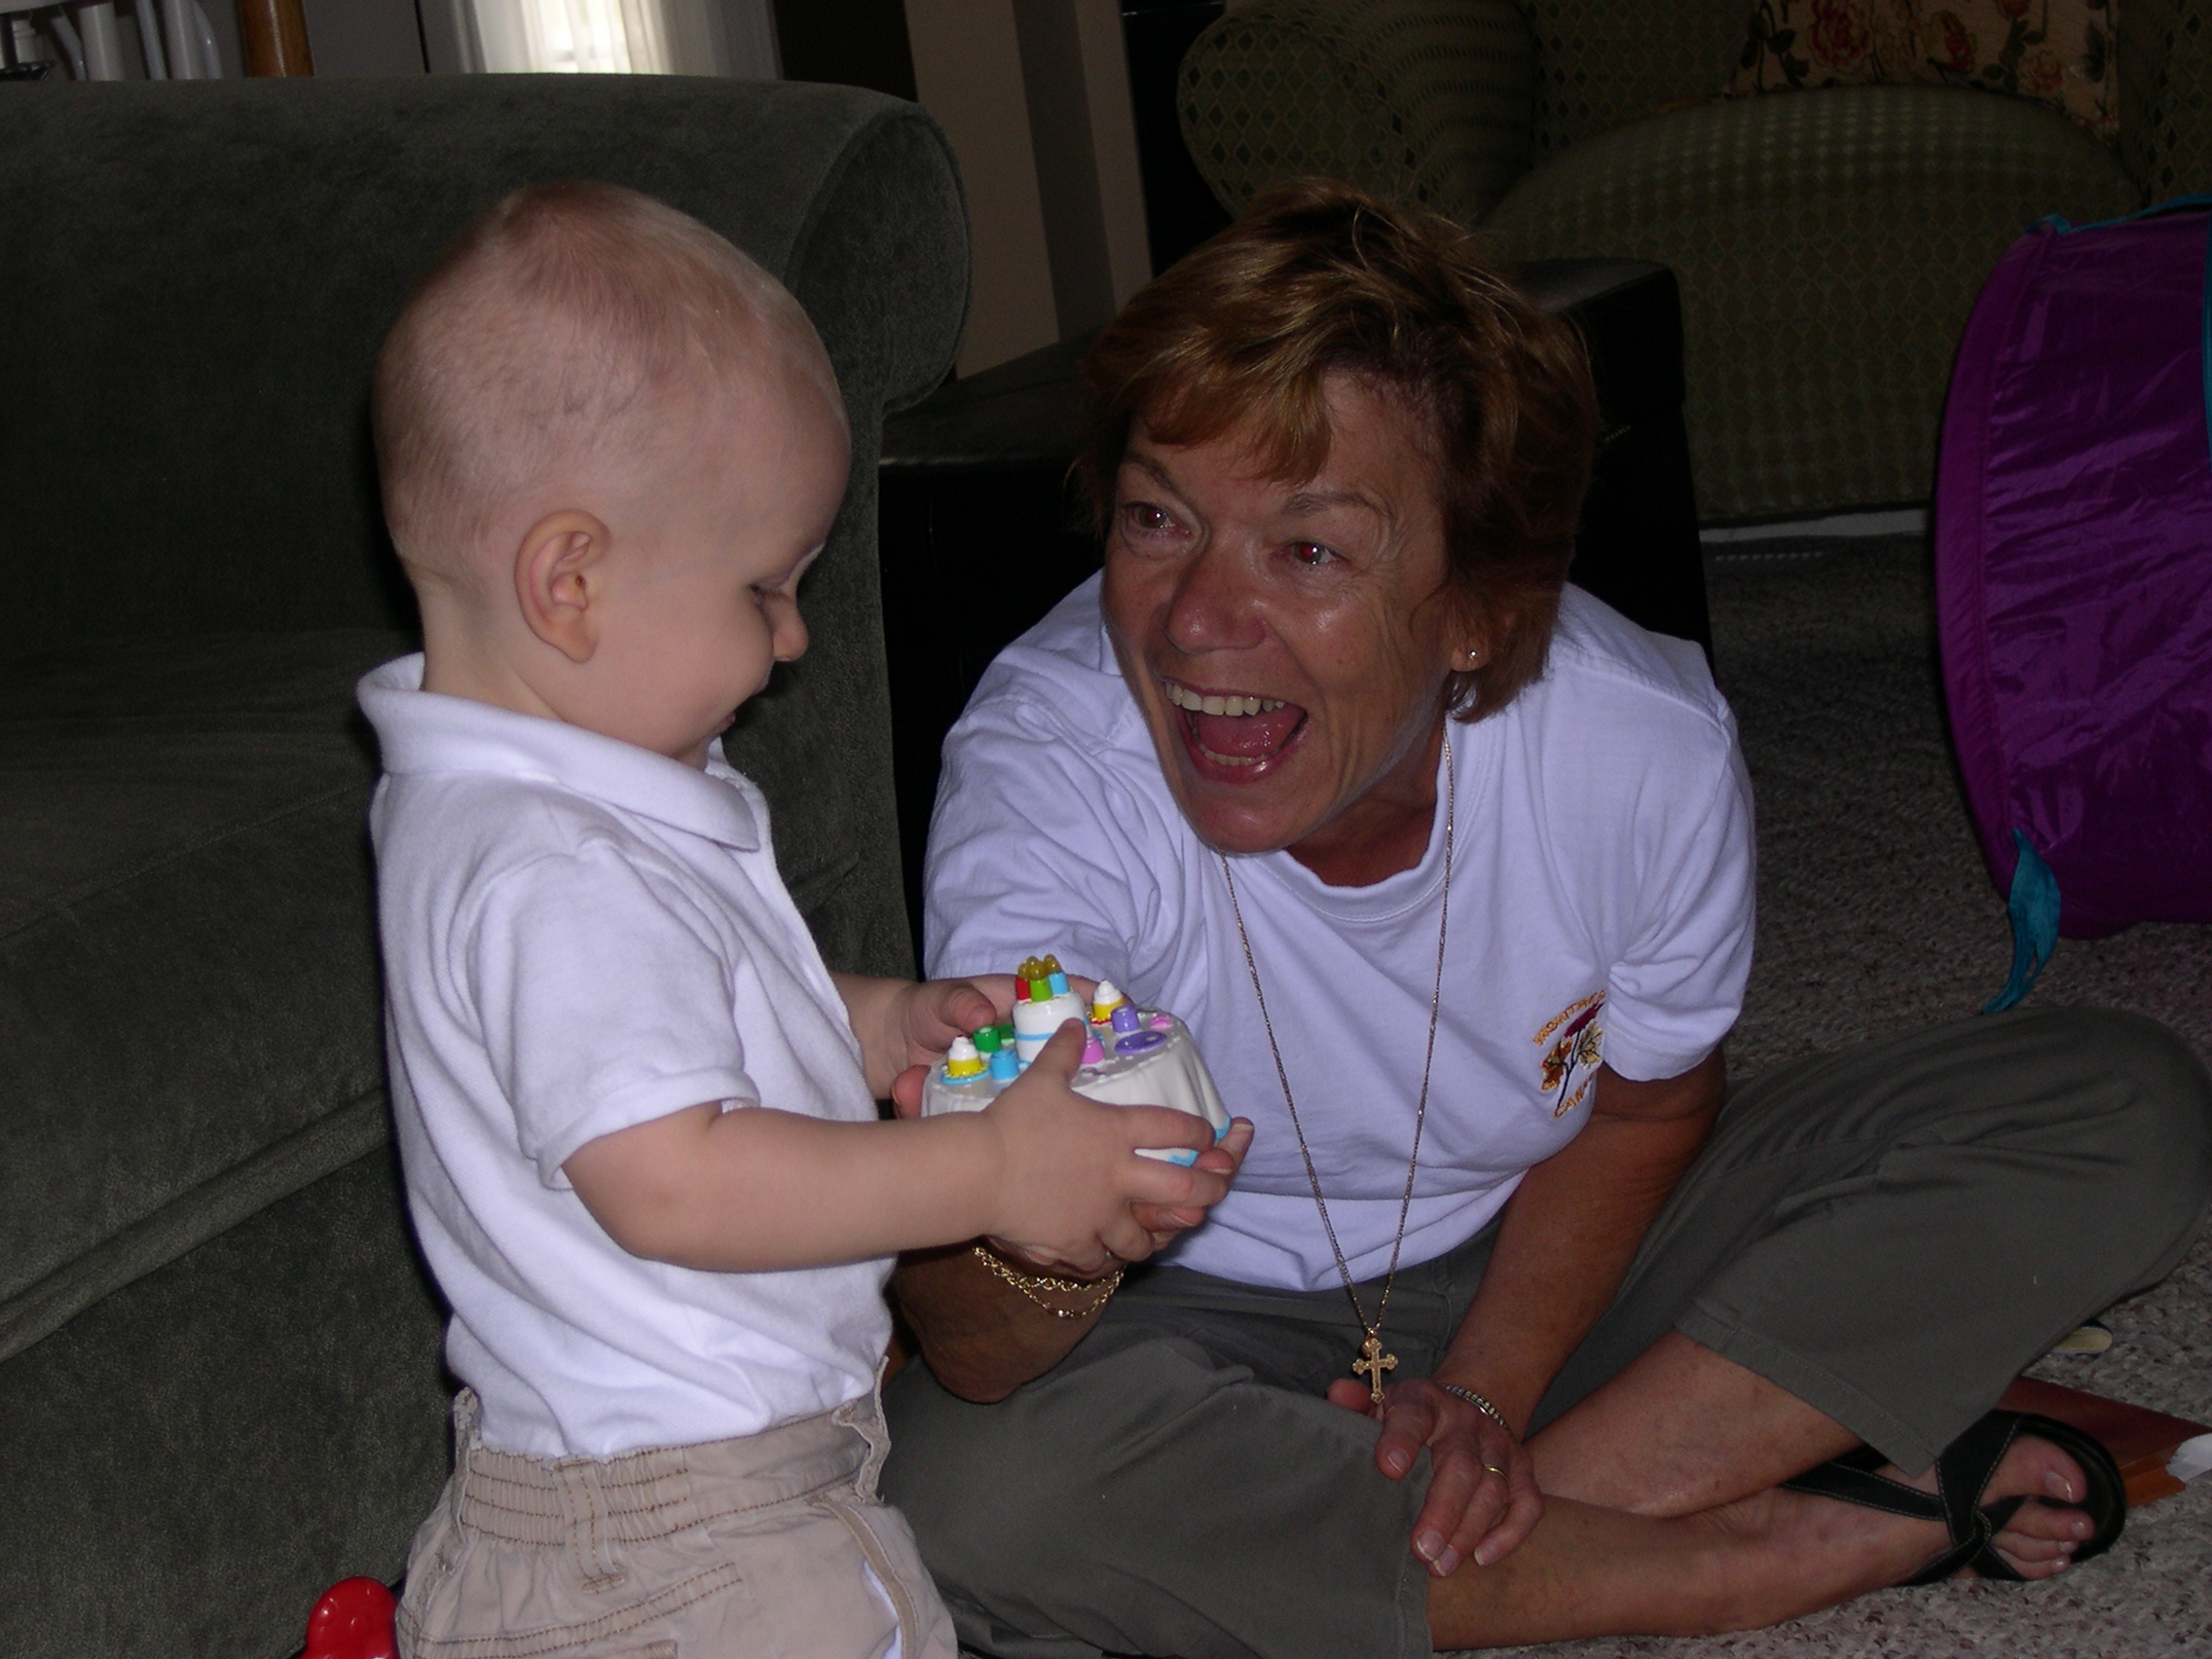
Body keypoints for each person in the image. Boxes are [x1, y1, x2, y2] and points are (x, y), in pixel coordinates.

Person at [881, 179, 2212, 1657]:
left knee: (2119, 1107)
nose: (1194, 621)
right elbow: (986, 1362)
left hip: (1550, 1261)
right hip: (1187, 1318)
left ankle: (1479, 1538)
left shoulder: (1635, 744)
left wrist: (1494, 1405)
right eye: (1155, 518)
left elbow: (1646, 1118)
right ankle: (1742, 1553)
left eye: (1308, 549)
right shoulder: (1050, 764)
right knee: (970, 1489)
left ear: (1476, 615)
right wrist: (1015, 1213)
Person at [356, 182, 1245, 1659]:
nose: (793, 636)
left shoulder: (556, 805)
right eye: (764, 586)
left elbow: (682, 1004)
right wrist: (982, 1171)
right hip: (691, 1540)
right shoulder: (552, 865)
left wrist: (874, 1017)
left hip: (646, 1503)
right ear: (568, 582)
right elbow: (675, 1185)